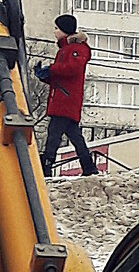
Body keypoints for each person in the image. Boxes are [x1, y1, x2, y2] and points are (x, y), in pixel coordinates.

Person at [35, 14, 97, 176]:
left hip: (65, 100)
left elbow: (72, 70)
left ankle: (47, 165)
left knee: (54, 134)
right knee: (74, 135)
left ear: (65, 30)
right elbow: (63, 78)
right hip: (65, 98)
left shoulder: (76, 49)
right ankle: (89, 167)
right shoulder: (66, 49)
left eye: (56, 28)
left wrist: (51, 70)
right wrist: (45, 76)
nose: (54, 32)